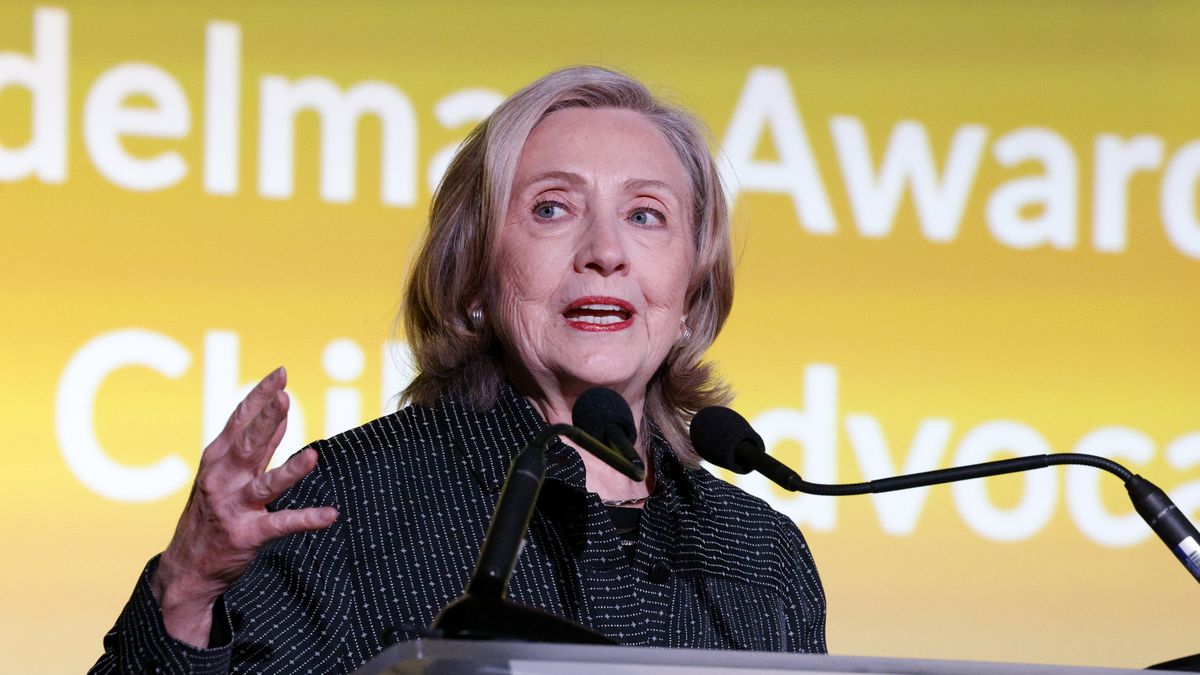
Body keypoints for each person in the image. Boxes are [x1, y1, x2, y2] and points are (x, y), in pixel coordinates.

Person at [90, 66, 826, 674]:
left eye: (645, 215)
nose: (606, 250)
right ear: (474, 277)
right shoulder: (351, 504)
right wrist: (185, 590)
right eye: (551, 208)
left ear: (693, 289)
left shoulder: (762, 556)